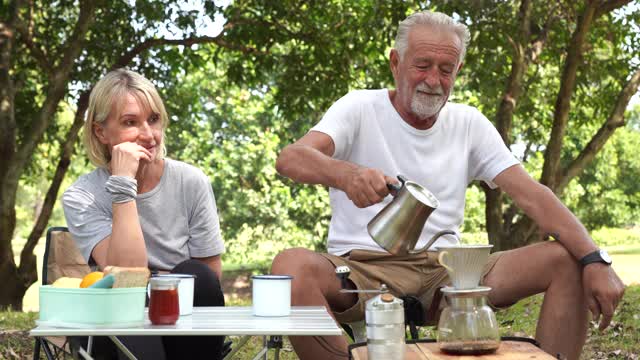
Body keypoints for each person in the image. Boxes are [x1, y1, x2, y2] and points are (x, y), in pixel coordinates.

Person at [272, 10, 625, 360]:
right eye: (422, 65)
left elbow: (531, 195)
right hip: (363, 270)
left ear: (457, 71)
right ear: (396, 63)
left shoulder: (468, 122)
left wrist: (595, 258)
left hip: (449, 271)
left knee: (567, 257)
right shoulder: (359, 107)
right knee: (291, 267)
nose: (434, 80)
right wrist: (346, 175)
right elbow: (291, 158)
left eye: (446, 69)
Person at [62, 69, 226, 360]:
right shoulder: (81, 196)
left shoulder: (191, 181)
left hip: (184, 318)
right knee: (120, 296)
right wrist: (123, 185)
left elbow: (209, 280)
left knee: (197, 275)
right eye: (130, 122)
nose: (149, 135)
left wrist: (163, 289)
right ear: (101, 132)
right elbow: (127, 277)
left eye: (153, 119)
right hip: (121, 321)